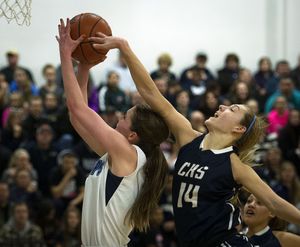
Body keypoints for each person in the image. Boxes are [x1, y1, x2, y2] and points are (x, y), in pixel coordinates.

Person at [89, 31, 300, 247]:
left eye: (232, 109)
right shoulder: (188, 137)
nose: (222, 106)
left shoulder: (235, 166)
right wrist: (124, 47)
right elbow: (150, 93)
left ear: (239, 128)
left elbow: (274, 203)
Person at [56, 19, 170, 247]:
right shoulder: (116, 156)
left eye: (125, 118)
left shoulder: (128, 154)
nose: (119, 118)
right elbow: (76, 116)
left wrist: (66, 55)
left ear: (132, 136)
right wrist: (84, 67)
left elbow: (79, 108)